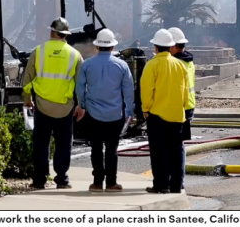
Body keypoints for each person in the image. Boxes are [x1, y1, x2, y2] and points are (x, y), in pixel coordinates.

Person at [23, 17, 84, 190]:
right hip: (65, 107)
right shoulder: (75, 55)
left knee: (41, 143)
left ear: (51, 32)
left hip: (42, 106)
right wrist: (81, 106)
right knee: (64, 143)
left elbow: (27, 80)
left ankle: (39, 180)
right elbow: (80, 84)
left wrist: (28, 100)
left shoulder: (38, 51)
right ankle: (62, 179)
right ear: (66, 35)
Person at [76, 29, 134, 192]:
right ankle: (111, 183)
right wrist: (129, 112)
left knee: (95, 149)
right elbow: (128, 91)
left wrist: (83, 105)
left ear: (97, 47)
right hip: (115, 115)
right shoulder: (122, 65)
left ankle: (96, 183)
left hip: (93, 114)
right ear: (112, 47)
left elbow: (80, 87)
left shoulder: (87, 64)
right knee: (111, 150)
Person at [141, 29, 189, 194]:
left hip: (157, 117)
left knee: (158, 153)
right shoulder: (180, 65)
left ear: (156, 47)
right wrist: (182, 109)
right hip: (177, 116)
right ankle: (176, 185)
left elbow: (146, 90)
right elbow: (185, 92)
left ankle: (161, 185)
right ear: (171, 47)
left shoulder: (152, 65)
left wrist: (145, 109)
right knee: (176, 153)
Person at [168, 27, 195, 191]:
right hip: (188, 106)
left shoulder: (178, 64)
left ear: (173, 46)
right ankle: (177, 181)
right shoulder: (188, 61)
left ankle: (175, 181)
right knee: (178, 146)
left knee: (174, 147)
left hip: (179, 108)